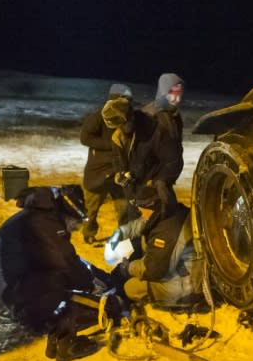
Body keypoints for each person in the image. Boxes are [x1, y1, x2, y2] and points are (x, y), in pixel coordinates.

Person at [0, 185, 123, 361]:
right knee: (60, 282)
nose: (74, 229)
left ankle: (55, 332)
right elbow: (67, 263)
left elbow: (72, 259)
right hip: (3, 287)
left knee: (59, 276)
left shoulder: (36, 218)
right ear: (68, 213)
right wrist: (91, 286)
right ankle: (61, 337)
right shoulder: (46, 224)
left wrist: (100, 276)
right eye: (75, 224)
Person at [107, 72, 184, 216]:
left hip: (160, 175)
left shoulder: (174, 115)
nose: (177, 98)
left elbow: (175, 148)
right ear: (163, 92)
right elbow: (131, 150)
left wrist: (163, 178)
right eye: (173, 93)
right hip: (148, 179)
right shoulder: (151, 115)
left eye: (180, 93)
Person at [108, 201, 204, 310]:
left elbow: (153, 270)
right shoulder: (174, 214)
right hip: (194, 276)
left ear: (152, 208)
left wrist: (128, 268)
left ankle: (177, 302)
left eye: (143, 211)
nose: (142, 215)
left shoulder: (166, 232)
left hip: (186, 289)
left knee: (130, 287)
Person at [79, 83, 138, 244]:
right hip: (98, 172)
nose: (126, 103)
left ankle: (123, 236)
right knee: (91, 209)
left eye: (128, 100)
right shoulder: (98, 117)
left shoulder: (130, 118)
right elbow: (85, 138)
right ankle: (89, 232)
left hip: (119, 170)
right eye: (123, 99)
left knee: (124, 207)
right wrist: (112, 145)